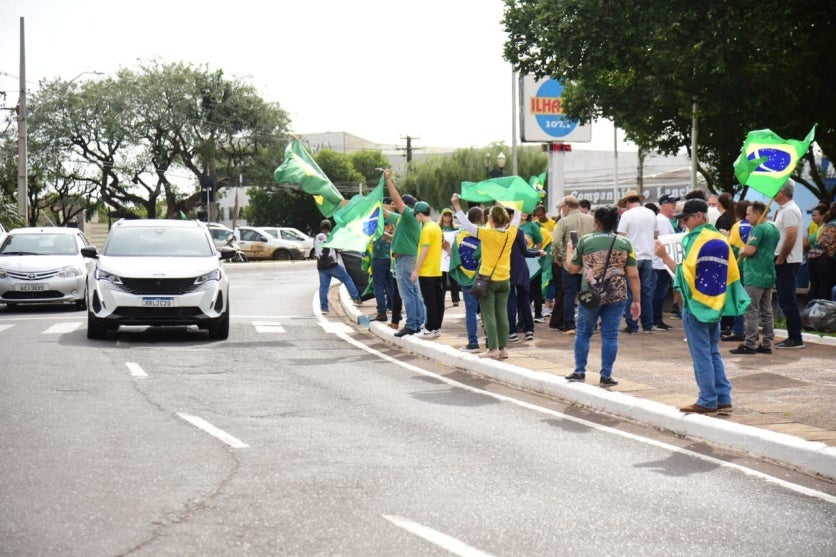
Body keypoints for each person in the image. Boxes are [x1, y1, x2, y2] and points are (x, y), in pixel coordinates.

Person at [654, 198, 750, 414]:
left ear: (699, 216)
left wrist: (664, 256)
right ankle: (723, 397)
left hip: (696, 304)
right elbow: (732, 274)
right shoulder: (720, 238)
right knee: (713, 351)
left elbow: (685, 275)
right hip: (714, 303)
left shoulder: (695, 240)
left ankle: (707, 399)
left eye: (686, 218)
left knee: (701, 354)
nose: (684, 223)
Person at [564, 206, 641, 387]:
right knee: (610, 335)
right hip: (616, 294)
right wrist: (637, 300)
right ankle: (606, 375)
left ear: (597, 222)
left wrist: (569, 250)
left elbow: (573, 269)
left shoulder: (585, 241)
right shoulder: (625, 243)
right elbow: (633, 274)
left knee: (583, 332)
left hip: (590, 293)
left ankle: (579, 371)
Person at [452, 194, 521, 360]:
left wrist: (456, 205)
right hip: (505, 279)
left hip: (487, 279)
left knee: (488, 315)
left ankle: (492, 349)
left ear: (492, 220)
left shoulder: (487, 234)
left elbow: (467, 225)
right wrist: (516, 200)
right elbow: (517, 216)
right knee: (502, 314)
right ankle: (503, 349)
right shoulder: (511, 232)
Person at [730, 201, 781, 355]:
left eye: (749, 213)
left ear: (758, 214)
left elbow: (751, 250)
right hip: (768, 273)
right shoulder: (773, 228)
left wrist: (741, 251)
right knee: (767, 311)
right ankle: (766, 343)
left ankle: (750, 343)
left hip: (755, 274)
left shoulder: (758, 229)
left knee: (751, 311)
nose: (747, 217)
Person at [384, 169, 425, 337]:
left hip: (406, 259)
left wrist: (388, 180)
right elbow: (386, 213)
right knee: (414, 293)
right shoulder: (404, 219)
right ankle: (418, 322)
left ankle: (412, 324)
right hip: (407, 259)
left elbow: (396, 200)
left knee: (407, 293)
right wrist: (372, 203)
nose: (396, 206)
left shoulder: (409, 216)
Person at [617, 189, 658, 334]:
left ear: (628, 201)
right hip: (648, 256)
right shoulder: (651, 213)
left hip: (632, 257)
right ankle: (648, 325)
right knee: (646, 292)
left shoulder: (627, 215)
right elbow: (656, 234)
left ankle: (632, 325)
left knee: (631, 291)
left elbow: (621, 237)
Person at [552, 195, 595, 333]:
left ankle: (569, 325)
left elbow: (556, 242)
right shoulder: (591, 219)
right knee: (588, 293)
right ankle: (590, 324)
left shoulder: (563, 221)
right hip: (589, 263)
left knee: (570, 294)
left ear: (567, 207)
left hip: (569, 263)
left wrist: (558, 256)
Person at [773, 181, 805, 349]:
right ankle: (793, 335)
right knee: (785, 299)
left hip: (787, 260)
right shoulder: (783, 210)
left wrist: (781, 258)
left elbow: (791, 236)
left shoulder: (790, 210)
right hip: (785, 260)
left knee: (787, 299)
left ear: (782, 192)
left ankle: (795, 337)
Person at [449, 206, 485, 352]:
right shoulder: (486, 234)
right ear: (482, 218)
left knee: (470, 311)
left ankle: (473, 343)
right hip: (484, 277)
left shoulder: (459, 236)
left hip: (466, 278)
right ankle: (491, 343)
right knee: (487, 311)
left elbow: (455, 258)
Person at [507, 218, 546, 342]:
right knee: (524, 301)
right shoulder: (517, 231)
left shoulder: (497, 232)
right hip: (521, 270)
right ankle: (529, 330)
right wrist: (538, 253)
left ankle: (512, 332)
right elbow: (525, 252)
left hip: (507, 270)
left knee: (511, 302)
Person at [314, 219, 362, 314]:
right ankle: (356, 298)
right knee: (347, 279)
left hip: (321, 267)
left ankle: (324, 308)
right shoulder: (332, 236)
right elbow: (339, 249)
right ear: (330, 227)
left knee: (324, 287)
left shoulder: (316, 237)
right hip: (333, 265)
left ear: (321, 227)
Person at [413, 201, 445, 337]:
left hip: (427, 271)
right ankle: (436, 327)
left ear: (420, 214)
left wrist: (416, 270)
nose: (416, 218)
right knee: (438, 300)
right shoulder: (436, 227)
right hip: (437, 269)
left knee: (429, 301)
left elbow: (424, 251)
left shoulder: (426, 229)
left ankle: (429, 328)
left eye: (416, 215)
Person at [651, 194, 678, 331]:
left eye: (674, 203)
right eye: (671, 203)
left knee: (659, 292)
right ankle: (655, 320)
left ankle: (656, 319)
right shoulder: (661, 220)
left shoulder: (665, 220)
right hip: (660, 263)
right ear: (663, 205)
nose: (674, 205)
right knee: (658, 293)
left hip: (663, 262)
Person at [806, 202, 836, 303]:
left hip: (814, 258)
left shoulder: (828, 225)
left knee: (814, 289)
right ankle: (824, 316)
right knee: (825, 290)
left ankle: (808, 314)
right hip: (827, 260)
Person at [370, 222, 395, 322]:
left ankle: (382, 312)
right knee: (391, 286)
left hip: (378, 259)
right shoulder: (393, 232)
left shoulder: (377, 227)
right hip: (390, 260)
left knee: (379, 286)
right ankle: (395, 310)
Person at [438, 207, 461, 306]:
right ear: (442, 216)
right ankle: (441, 298)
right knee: (441, 278)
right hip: (440, 255)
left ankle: (455, 299)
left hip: (451, 254)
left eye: (449, 215)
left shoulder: (455, 228)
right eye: (445, 214)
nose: (447, 217)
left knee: (453, 278)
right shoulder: (437, 228)